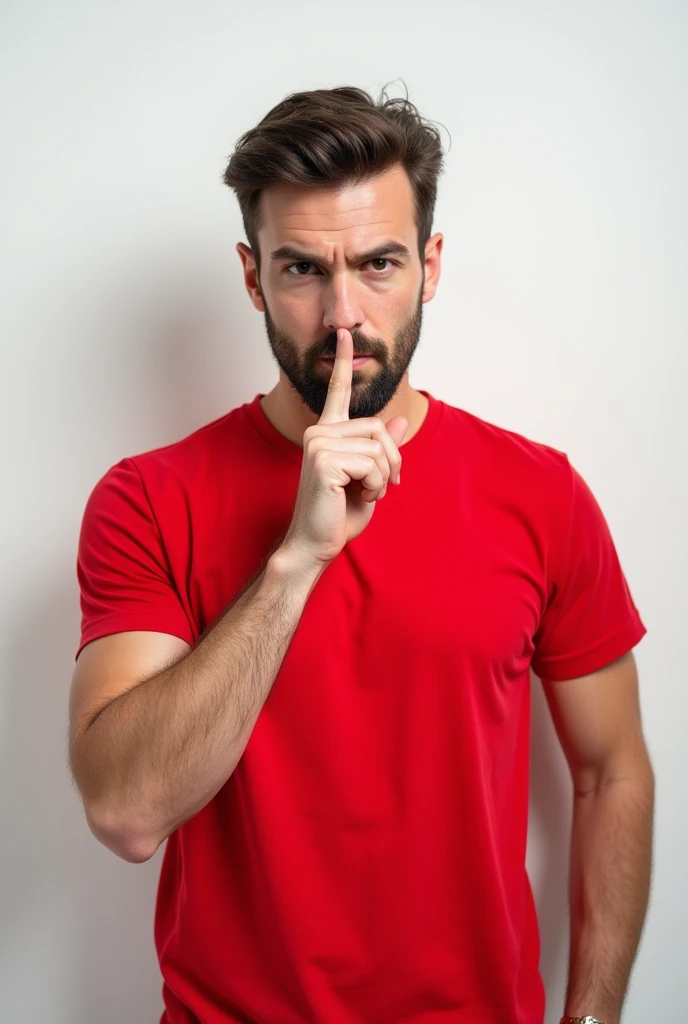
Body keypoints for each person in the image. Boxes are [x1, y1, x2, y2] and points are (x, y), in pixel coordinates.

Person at [68, 86, 654, 1024]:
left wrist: (592, 1019)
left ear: (429, 264)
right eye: (303, 269)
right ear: (254, 278)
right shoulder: (148, 499)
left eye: (378, 263)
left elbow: (611, 769)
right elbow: (127, 813)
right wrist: (296, 560)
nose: (344, 314)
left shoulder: (541, 494)